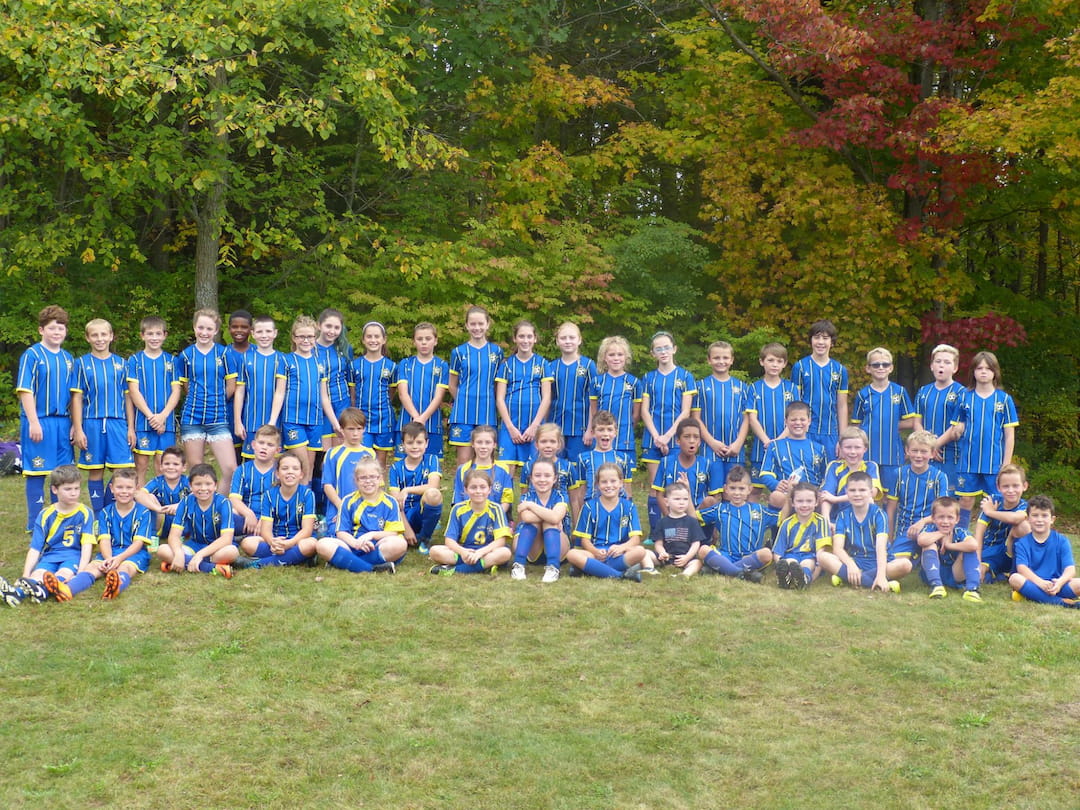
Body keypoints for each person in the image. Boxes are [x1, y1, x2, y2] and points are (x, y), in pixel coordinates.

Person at [45, 468, 154, 602]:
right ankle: (68, 589)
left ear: (136, 489)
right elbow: (104, 539)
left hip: (133, 554)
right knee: (93, 567)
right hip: (109, 552)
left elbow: (138, 544)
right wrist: (108, 559)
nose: (124, 491)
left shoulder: (143, 513)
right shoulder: (105, 513)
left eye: (129, 487)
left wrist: (119, 559)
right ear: (112, 488)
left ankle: (116, 586)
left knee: (126, 568)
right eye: (119, 487)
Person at [17, 305, 76, 530]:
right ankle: (36, 522)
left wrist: (73, 424)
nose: (57, 332)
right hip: (39, 420)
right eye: (52, 328)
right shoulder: (32, 355)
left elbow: (73, 395)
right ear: (42, 330)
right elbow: (25, 390)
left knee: (63, 473)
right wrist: (33, 421)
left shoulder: (68, 358)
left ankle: (61, 517)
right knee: (37, 470)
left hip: (63, 422)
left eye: (60, 328)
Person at [0, 465, 94, 606]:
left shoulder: (85, 513)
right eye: (68, 489)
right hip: (50, 556)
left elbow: (87, 545)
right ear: (55, 490)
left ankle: (42, 591)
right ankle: (16, 594)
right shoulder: (45, 515)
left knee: (64, 573)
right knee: (37, 575)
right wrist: (26, 574)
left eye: (76, 488)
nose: (73, 493)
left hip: (73, 556)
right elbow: (35, 548)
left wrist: (80, 572)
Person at [71, 318, 136, 514]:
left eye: (103, 334)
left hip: (117, 423)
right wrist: (79, 428)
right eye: (95, 335)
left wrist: (131, 427)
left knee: (121, 471)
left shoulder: (122, 364)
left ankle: (115, 512)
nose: (100, 339)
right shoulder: (81, 364)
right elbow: (77, 398)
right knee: (95, 470)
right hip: (92, 424)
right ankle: (99, 515)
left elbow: (128, 398)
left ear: (111, 336)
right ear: (87, 338)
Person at [952, 351, 1019, 531]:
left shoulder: (1004, 399)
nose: (983, 372)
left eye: (988, 368)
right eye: (979, 368)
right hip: (968, 460)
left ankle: (993, 540)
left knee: (996, 501)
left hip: (994, 462)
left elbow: (1009, 434)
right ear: (973, 371)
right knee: (965, 500)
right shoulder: (964, 397)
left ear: (995, 372)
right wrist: (958, 429)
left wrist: (1006, 464)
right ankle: (962, 536)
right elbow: (957, 426)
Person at [177, 309, 237, 495]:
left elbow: (231, 385)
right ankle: (200, 511)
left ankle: (219, 505)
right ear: (194, 327)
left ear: (216, 330)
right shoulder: (186, 356)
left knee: (230, 469)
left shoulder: (224, 354)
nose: (204, 332)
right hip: (192, 418)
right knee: (197, 471)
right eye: (200, 327)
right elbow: (185, 386)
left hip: (218, 417)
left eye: (209, 328)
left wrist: (215, 401)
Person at [640, 331, 696, 526]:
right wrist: (657, 437)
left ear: (674, 349)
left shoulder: (685, 376)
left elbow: (686, 411)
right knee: (656, 486)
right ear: (652, 353)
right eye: (658, 349)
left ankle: (680, 528)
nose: (663, 352)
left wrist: (668, 436)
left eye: (666, 347)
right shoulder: (648, 378)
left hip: (676, 439)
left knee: (677, 486)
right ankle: (657, 530)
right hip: (653, 438)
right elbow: (645, 411)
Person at [316, 456, 404, 573]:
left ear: (380, 479)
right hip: (353, 546)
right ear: (356, 480)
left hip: (377, 546)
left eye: (372, 477)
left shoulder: (390, 502)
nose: (368, 481)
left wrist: (372, 535)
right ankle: (372, 569)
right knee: (322, 544)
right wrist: (356, 543)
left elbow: (393, 532)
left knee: (400, 544)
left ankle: (346, 562)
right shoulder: (348, 501)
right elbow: (341, 532)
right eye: (363, 478)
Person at [816, 472, 901, 593]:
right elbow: (838, 549)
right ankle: (872, 582)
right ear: (846, 491)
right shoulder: (843, 515)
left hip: (879, 562)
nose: (857, 494)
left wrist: (881, 574)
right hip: (856, 560)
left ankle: (850, 578)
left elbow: (881, 548)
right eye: (852, 490)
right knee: (822, 557)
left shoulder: (879, 514)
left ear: (871, 492)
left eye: (862, 490)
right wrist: (851, 565)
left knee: (905, 565)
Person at [850, 346, 916, 496]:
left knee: (891, 496)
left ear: (891, 368)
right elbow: (856, 425)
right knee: (866, 493)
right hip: (867, 453)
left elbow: (911, 421)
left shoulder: (899, 392)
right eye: (876, 365)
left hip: (892, 452)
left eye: (885, 364)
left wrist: (890, 425)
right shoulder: (863, 394)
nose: (881, 367)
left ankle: (889, 520)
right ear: (868, 368)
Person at [126, 315, 182, 486]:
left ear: (165, 335)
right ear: (142, 335)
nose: (154, 338)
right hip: (143, 421)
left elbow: (176, 391)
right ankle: (141, 507)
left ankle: (162, 507)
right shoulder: (134, 361)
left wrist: (163, 416)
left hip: (166, 423)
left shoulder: (172, 361)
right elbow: (133, 391)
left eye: (158, 334)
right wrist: (152, 417)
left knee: (163, 465)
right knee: (141, 465)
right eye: (150, 334)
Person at [885, 430, 949, 577]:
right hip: (905, 530)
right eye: (914, 450)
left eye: (923, 451)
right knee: (898, 564)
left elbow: (944, 512)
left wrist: (922, 522)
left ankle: (928, 564)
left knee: (929, 545)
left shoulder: (940, 477)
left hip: (931, 527)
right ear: (907, 451)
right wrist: (889, 538)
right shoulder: (898, 474)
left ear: (932, 453)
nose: (918, 455)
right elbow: (891, 509)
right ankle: (915, 558)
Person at [566, 463, 645, 581]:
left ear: (621, 483)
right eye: (604, 482)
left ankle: (592, 570)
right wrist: (595, 551)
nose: (609, 485)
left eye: (613, 481)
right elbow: (585, 541)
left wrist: (622, 547)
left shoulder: (629, 507)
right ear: (597, 485)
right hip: (596, 554)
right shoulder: (589, 507)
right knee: (572, 554)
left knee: (640, 551)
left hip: (618, 553)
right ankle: (619, 575)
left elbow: (635, 539)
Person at [157, 463, 238, 577]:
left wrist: (200, 555)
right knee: (162, 550)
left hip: (217, 548)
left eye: (208, 484)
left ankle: (185, 562)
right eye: (198, 484)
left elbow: (226, 539)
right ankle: (213, 567)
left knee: (232, 552)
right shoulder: (185, 502)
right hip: (194, 545)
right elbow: (174, 535)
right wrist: (179, 553)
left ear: (215, 485)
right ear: (190, 486)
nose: (203, 488)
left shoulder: (224, 503)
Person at [239, 452, 318, 567]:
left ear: (301, 474)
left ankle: (259, 564)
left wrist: (289, 544)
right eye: (285, 468)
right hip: (276, 540)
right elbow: (266, 530)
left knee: (311, 544)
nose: (290, 471)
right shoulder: (269, 495)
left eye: (295, 468)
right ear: (277, 474)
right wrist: (272, 542)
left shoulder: (307, 494)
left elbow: (307, 530)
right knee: (247, 543)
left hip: (298, 540)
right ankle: (296, 558)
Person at [697, 465, 776, 581]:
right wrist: (687, 493)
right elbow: (694, 516)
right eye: (733, 488)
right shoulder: (719, 509)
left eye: (741, 488)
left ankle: (721, 569)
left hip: (749, 556)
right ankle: (741, 573)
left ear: (749, 489)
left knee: (767, 554)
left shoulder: (760, 510)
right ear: (726, 489)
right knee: (703, 550)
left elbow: (782, 518)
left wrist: (789, 494)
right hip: (726, 555)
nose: (737, 493)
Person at [448, 305, 503, 465]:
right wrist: (464, 401)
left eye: (480, 324)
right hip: (463, 413)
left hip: (487, 411)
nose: (477, 328)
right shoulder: (458, 352)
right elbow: (452, 385)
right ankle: (460, 491)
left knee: (486, 459)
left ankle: (486, 490)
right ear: (466, 325)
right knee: (464, 460)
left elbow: (498, 384)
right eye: (473, 324)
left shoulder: (496, 352)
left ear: (487, 324)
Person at [429, 469, 513, 575]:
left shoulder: (496, 509)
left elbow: (500, 541)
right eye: (473, 487)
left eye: (483, 487)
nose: (478, 491)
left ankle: (456, 570)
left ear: (489, 489)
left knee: (505, 552)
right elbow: (449, 540)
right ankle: (483, 566)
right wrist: (463, 552)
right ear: (465, 490)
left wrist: (480, 553)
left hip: (487, 551)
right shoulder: (458, 509)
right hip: (464, 551)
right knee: (434, 551)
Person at [495, 319, 552, 470]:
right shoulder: (506, 365)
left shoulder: (542, 363)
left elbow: (546, 398)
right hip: (510, 424)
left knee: (534, 471)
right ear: (515, 338)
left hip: (535, 424)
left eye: (529, 336)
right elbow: (500, 398)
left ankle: (529, 495)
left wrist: (535, 426)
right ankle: (506, 495)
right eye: (521, 336)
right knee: (505, 472)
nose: (525, 340)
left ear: (535, 339)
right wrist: (510, 427)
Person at [281, 316, 331, 485]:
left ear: (315, 337)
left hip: (315, 421)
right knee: (300, 466)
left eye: (310, 336)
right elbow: (280, 392)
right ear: (294, 338)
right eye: (301, 336)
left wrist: (335, 423)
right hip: (293, 420)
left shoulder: (320, 363)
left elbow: (324, 397)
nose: (306, 340)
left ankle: (306, 507)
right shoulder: (286, 360)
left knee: (309, 468)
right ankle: (294, 507)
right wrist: (273, 420)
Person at [692, 340, 749, 484]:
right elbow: (696, 419)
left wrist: (738, 443)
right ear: (709, 360)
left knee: (734, 490)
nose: (721, 361)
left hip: (735, 448)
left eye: (725, 358)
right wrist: (712, 442)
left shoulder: (742, 387)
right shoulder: (701, 387)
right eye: (716, 358)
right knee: (712, 492)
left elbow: (747, 419)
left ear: (732, 360)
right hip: (709, 448)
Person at [791, 320, 849, 458]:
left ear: (832, 342)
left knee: (829, 475)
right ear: (810, 340)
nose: (820, 342)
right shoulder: (800, 367)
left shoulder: (840, 370)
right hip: (805, 430)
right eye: (816, 337)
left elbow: (842, 405)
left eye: (825, 338)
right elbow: (794, 403)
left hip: (830, 432)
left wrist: (843, 439)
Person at [1008, 495, 1079, 608]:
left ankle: (1033, 596)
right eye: (1035, 515)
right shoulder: (1021, 543)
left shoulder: (1062, 541)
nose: (1039, 520)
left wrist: (1060, 582)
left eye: (1044, 515)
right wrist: (1040, 583)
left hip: (1056, 586)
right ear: (1028, 519)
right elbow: (1022, 568)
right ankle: (1064, 603)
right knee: (1014, 578)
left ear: (1052, 519)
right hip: (1034, 584)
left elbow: (1070, 569)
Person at [746, 342, 799, 494]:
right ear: (762, 362)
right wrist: (766, 441)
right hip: (761, 447)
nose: (775, 365)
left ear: (784, 364)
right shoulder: (754, 388)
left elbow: (796, 419)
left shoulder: (791, 388)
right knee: (755, 490)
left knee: (786, 490)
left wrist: (779, 440)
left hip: (786, 446)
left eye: (779, 361)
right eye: (770, 360)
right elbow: (752, 418)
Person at [912, 343, 965, 490]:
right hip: (926, 453)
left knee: (949, 496)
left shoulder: (962, 392)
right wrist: (926, 446)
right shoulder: (923, 391)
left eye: (947, 362)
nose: (942, 365)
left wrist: (936, 444)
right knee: (925, 492)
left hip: (950, 454)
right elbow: (917, 421)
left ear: (955, 368)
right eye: (938, 361)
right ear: (931, 366)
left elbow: (957, 426)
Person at [758, 401, 827, 513]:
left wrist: (820, 491)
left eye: (802, 419)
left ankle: (820, 528)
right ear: (786, 421)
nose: (798, 423)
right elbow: (765, 473)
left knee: (825, 498)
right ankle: (780, 529)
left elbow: (826, 477)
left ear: (809, 421)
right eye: (793, 420)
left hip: (811, 495)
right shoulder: (775, 446)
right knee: (776, 496)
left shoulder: (819, 448)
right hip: (787, 494)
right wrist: (777, 484)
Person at [233, 315, 285, 459]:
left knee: (275, 463)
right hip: (252, 421)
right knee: (251, 462)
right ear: (253, 334)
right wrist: (238, 421)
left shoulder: (283, 359)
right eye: (260, 332)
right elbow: (240, 391)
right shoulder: (245, 358)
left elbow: (281, 392)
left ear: (275, 333)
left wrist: (273, 422)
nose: (264, 336)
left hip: (276, 421)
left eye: (268, 331)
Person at [395, 322, 449, 460]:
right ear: (414, 341)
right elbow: (402, 393)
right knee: (405, 465)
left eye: (428, 338)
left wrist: (422, 419)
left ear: (435, 341)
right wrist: (416, 418)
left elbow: (439, 397)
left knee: (431, 466)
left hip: (432, 425)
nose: (424, 342)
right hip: (407, 422)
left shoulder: (442, 365)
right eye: (419, 339)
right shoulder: (405, 364)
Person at [388, 421, 444, 553]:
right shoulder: (395, 468)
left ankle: (424, 539)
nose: (415, 447)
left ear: (426, 443)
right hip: (403, 515)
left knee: (433, 494)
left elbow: (433, 486)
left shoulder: (431, 460)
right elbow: (395, 501)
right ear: (402, 444)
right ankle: (407, 535)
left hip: (421, 510)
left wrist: (407, 489)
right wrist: (406, 528)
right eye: (410, 443)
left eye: (419, 442)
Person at [511, 458, 570, 582]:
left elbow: (555, 517)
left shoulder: (560, 496)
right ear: (531, 478)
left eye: (547, 475)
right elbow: (527, 518)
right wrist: (550, 514)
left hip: (558, 545)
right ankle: (518, 565)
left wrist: (531, 506)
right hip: (531, 547)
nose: (542, 479)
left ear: (554, 479)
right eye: (537, 475)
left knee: (550, 522)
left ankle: (553, 567)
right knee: (537, 521)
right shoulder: (526, 496)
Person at [590, 335, 641, 470]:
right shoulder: (596, 382)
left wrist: (626, 428)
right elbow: (593, 411)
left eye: (620, 354)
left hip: (625, 438)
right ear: (604, 358)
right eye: (612, 355)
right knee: (600, 474)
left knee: (623, 478)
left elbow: (636, 415)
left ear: (626, 357)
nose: (616, 358)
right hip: (602, 436)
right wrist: (591, 430)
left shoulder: (634, 382)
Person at [916, 496, 982, 602]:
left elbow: (974, 544)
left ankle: (972, 589)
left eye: (950, 517)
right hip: (932, 573)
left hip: (954, 573)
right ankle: (936, 586)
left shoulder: (959, 532)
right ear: (933, 518)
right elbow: (921, 540)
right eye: (941, 517)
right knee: (929, 544)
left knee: (969, 549)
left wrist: (949, 545)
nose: (945, 521)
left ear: (957, 519)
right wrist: (941, 533)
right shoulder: (930, 529)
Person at [321, 408, 376, 535]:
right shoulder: (333, 453)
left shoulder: (370, 454)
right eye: (351, 429)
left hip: (365, 510)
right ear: (342, 430)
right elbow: (327, 485)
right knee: (340, 541)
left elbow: (376, 486)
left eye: (359, 429)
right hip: (339, 509)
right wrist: (343, 509)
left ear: (364, 429)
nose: (355, 433)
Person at [548, 321, 597, 463]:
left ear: (579, 340)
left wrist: (591, 429)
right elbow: (547, 399)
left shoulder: (588, 366)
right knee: (555, 469)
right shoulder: (551, 366)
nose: (567, 341)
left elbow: (594, 400)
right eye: (563, 338)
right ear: (557, 341)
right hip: (556, 427)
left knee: (579, 471)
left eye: (571, 337)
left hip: (580, 429)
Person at [351, 321, 397, 466]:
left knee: (380, 460)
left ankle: (379, 488)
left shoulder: (391, 366)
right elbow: (353, 394)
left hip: (384, 419)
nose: (373, 340)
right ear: (363, 340)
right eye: (369, 336)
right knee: (362, 458)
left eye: (377, 336)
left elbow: (392, 392)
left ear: (384, 339)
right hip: (361, 418)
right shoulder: (354, 365)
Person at [973, 463, 1030, 583]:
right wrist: (976, 562)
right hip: (989, 550)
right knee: (979, 573)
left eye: (1015, 486)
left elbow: (1015, 518)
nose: (1011, 490)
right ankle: (996, 573)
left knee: (1024, 526)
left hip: (1010, 550)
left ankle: (1017, 571)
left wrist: (990, 512)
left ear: (1024, 486)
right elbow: (978, 533)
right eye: (1006, 486)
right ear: (998, 487)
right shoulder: (993, 500)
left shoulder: (1025, 506)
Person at [819, 426, 882, 525]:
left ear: (865, 449)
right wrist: (826, 522)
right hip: (837, 519)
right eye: (848, 447)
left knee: (869, 500)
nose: (853, 452)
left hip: (862, 520)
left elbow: (872, 493)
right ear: (840, 448)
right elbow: (826, 496)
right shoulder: (834, 466)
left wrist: (836, 499)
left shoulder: (870, 466)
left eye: (857, 447)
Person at [772, 481, 828, 590]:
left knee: (806, 563)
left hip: (810, 557)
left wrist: (813, 577)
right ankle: (785, 578)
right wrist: (780, 564)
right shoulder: (787, 523)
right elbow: (778, 552)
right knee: (789, 562)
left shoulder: (821, 522)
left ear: (816, 502)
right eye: (800, 501)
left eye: (809, 501)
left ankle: (805, 579)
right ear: (792, 503)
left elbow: (821, 553)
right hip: (791, 555)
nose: (804, 505)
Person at [652, 418, 712, 518]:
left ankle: (706, 532)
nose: (692, 441)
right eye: (687, 437)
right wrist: (669, 519)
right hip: (673, 514)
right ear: (678, 441)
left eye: (696, 437)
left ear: (700, 442)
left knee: (710, 501)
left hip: (698, 515)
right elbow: (659, 495)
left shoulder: (707, 464)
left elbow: (713, 499)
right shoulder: (666, 462)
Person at [451, 425, 515, 517]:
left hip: (496, 517)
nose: (483, 446)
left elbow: (506, 500)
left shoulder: (503, 469)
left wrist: (494, 517)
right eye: (479, 442)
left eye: (488, 442)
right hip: (469, 518)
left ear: (494, 444)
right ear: (473, 444)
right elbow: (458, 499)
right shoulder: (463, 469)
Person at [229, 424, 280, 536]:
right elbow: (234, 499)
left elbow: (283, 501)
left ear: (277, 450)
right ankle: (241, 537)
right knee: (227, 514)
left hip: (273, 519)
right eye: (261, 443)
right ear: (253, 445)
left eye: (270, 445)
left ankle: (255, 537)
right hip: (247, 519)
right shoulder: (242, 470)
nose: (264, 447)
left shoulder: (280, 472)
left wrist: (266, 519)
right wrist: (248, 514)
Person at [135, 445, 190, 548]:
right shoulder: (157, 481)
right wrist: (158, 509)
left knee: (195, 500)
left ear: (184, 467)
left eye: (175, 464)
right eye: (167, 464)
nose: (171, 467)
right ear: (161, 466)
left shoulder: (187, 481)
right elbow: (138, 494)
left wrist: (179, 505)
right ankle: (152, 537)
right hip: (163, 520)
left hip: (183, 522)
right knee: (149, 497)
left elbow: (198, 497)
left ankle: (180, 537)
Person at [314, 308, 354, 451]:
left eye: (336, 327)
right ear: (319, 325)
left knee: (340, 451)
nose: (332, 331)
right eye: (328, 326)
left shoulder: (345, 349)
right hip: (319, 407)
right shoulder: (310, 348)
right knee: (322, 454)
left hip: (341, 404)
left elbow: (350, 380)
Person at [575, 410, 634, 503]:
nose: (605, 433)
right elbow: (581, 491)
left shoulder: (624, 458)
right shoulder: (583, 458)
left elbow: (628, 490)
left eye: (609, 429)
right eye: (601, 429)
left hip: (617, 510)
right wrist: (580, 515)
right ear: (593, 432)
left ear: (615, 433)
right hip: (593, 508)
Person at [651, 481, 705, 577]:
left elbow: (696, 543)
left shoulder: (692, 521)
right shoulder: (662, 522)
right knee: (646, 553)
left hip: (685, 557)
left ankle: (684, 575)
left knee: (697, 563)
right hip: (666, 557)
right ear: (666, 502)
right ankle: (650, 570)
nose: (681, 502)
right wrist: (662, 552)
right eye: (677, 499)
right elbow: (658, 543)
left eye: (685, 499)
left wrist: (687, 557)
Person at [224, 310, 253, 460]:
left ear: (251, 329)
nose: (239, 330)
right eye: (235, 327)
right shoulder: (222, 354)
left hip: (253, 411)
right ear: (229, 329)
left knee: (252, 455)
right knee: (233, 459)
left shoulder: (258, 352)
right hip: (229, 412)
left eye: (244, 327)